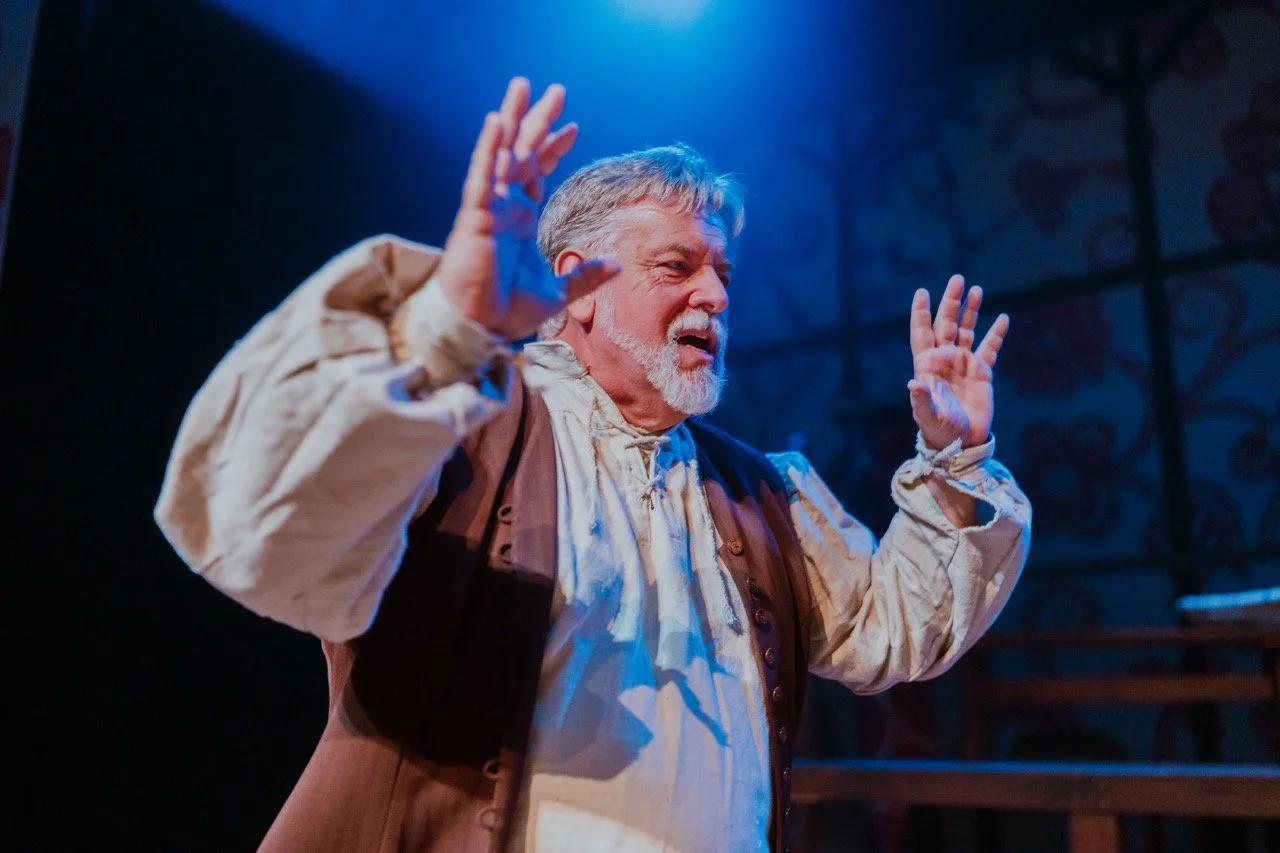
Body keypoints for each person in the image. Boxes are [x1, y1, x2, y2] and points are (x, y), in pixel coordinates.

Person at [155, 77, 1031, 853]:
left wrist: (954, 458)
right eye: (677, 265)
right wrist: (444, 329)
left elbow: (892, 634)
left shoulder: (759, 488)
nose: (717, 295)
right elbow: (269, 535)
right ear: (578, 284)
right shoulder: (461, 431)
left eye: (723, 270)